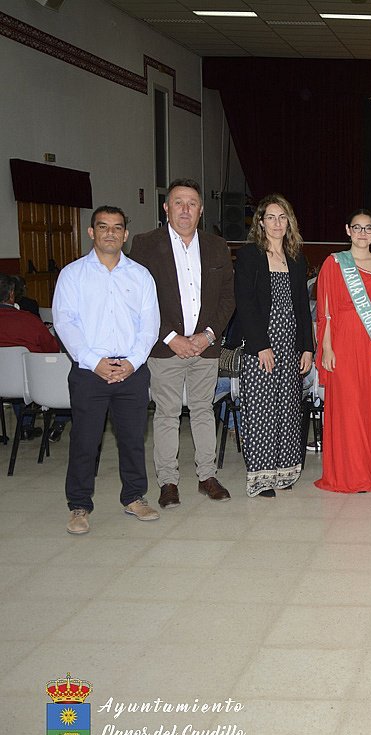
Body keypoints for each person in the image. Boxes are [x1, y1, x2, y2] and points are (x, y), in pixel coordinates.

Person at [52, 207, 160, 535]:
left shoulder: (140, 275)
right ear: (92, 232)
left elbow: (150, 325)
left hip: (131, 370)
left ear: (125, 234)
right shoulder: (72, 275)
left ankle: (134, 497)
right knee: (85, 441)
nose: (110, 233)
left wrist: (133, 362)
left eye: (117, 227)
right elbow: (65, 322)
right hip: (89, 371)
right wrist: (93, 361)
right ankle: (79, 505)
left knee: (133, 439)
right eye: (103, 227)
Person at [131, 178, 235, 508]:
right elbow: (139, 299)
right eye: (179, 202)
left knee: (204, 411)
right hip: (166, 348)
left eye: (192, 203)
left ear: (201, 210)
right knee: (167, 414)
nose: (185, 209)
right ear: (166, 208)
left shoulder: (217, 246)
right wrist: (171, 337)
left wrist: (208, 335)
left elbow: (228, 298)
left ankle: (207, 476)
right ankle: (168, 482)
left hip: (206, 347)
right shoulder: (146, 244)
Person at [233, 195, 314, 498]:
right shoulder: (249, 256)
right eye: (271, 217)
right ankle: (262, 478)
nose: (277, 223)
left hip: (291, 343)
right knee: (261, 411)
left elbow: (302, 307)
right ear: (261, 222)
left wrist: (307, 347)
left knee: (288, 409)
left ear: (289, 222)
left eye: (282, 217)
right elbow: (245, 303)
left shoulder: (296, 258)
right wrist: (260, 345)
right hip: (261, 345)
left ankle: (284, 472)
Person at [315, 209, 371, 493]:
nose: (362, 233)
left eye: (368, 228)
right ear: (348, 230)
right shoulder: (334, 262)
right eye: (357, 228)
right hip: (343, 342)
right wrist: (326, 347)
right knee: (348, 406)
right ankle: (352, 473)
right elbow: (325, 311)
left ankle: (370, 470)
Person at [1, 272, 60, 440]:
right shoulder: (29, 321)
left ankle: (25, 426)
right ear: (12, 294)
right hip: (30, 384)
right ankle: (56, 424)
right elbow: (52, 349)